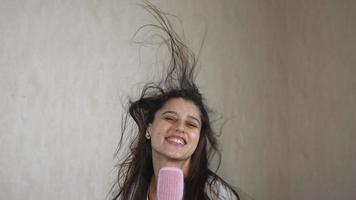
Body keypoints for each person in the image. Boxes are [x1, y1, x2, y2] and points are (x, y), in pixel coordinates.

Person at [111, 2, 240, 200]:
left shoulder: (217, 194)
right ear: (149, 129)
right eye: (170, 118)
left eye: (191, 124)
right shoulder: (133, 191)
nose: (180, 127)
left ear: (198, 139)